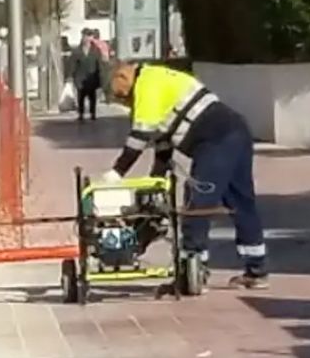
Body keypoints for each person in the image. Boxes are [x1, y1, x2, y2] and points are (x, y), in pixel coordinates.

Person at [104, 61, 268, 289]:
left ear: (123, 76)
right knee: (240, 201)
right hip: (235, 130)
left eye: (123, 97)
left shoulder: (145, 85)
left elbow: (139, 136)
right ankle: (256, 270)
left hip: (215, 139)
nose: (126, 103)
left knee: (196, 203)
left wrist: (116, 172)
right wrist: (156, 183)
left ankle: (192, 272)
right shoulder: (157, 78)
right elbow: (162, 145)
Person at [69, 28, 105, 122]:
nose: (86, 38)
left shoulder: (95, 50)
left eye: (89, 36)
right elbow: (72, 64)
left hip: (92, 77)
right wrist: (71, 76)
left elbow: (100, 64)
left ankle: (93, 113)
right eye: (85, 36)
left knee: (92, 97)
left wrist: (101, 78)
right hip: (80, 77)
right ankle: (81, 114)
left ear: (91, 38)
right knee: (81, 96)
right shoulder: (77, 50)